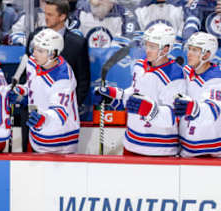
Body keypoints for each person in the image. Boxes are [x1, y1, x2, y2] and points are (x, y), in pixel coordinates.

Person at [94, 23, 185, 156]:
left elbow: (174, 116)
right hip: (131, 143)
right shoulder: (140, 65)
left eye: (152, 47)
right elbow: (135, 92)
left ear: (166, 49)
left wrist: (150, 110)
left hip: (159, 149)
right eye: (146, 45)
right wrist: (114, 94)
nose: (147, 50)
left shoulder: (175, 75)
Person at [21, 0, 90, 152]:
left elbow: (83, 81)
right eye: (45, 13)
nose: (46, 18)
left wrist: (66, 107)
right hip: (34, 119)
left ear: (62, 16)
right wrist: (23, 93)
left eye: (50, 14)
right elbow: (30, 77)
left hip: (60, 126)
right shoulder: (36, 37)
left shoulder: (77, 43)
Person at [9, 28, 80, 153]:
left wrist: (43, 118)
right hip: (37, 134)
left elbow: (60, 113)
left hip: (60, 140)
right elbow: (33, 86)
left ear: (52, 54)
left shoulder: (63, 78)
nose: (34, 53)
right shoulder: (33, 62)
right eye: (35, 48)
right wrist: (22, 91)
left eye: (40, 51)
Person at [174, 32, 221, 157]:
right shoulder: (188, 71)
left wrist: (194, 108)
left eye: (195, 50)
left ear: (206, 54)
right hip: (186, 149)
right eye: (189, 49)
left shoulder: (216, 78)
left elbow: (214, 110)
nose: (189, 53)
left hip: (211, 152)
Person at [70, 0, 140, 48]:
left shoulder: (126, 16)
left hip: (113, 63)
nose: (96, 3)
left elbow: (130, 44)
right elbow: (72, 40)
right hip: (86, 61)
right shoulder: (80, 12)